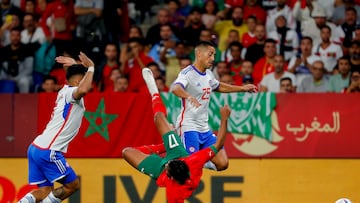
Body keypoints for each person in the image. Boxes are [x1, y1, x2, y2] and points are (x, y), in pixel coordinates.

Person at [123, 67, 232, 203]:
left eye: (169, 164)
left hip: (159, 169)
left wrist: (166, 164)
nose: (168, 162)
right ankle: (154, 93)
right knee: (158, 117)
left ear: (171, 177)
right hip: (178, 153)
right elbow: (219, 143)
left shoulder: (174, 193)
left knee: (126, 152)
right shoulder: (193, 161)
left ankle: (164, 146)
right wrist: (224, 119)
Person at [18, 52, 95, 203]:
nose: (89, 82)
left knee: (45, 191)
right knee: (73, 185)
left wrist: (74, 64)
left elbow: (79, 82)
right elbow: (83, 89)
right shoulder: (71, 93)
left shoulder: (65, 91)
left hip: (36, 147)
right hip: (49, 151)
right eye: (86, 78)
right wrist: (91, 67)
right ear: (79, 80)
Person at [171, 41, 257, 170]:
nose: (213, 59)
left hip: (204, 128)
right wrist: (188, 96)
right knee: (189, 169)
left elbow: (218, 86)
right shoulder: (187, 73)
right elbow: (175, 88)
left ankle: (200, 162)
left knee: (223, 163)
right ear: (199, 54)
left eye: (214, 55)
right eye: (210, 55)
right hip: (188, 126)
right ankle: (191, 162)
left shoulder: (209, 74)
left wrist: (242, 88)